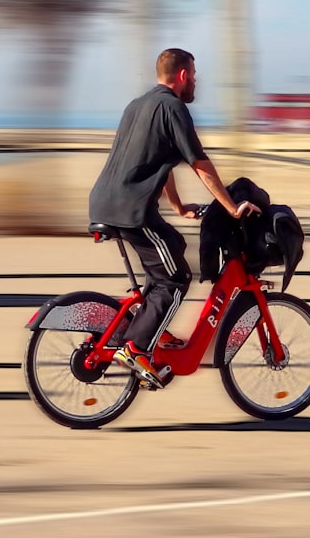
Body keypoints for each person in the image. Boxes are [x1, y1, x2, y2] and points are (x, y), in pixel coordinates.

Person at [88, 48, 259, 388]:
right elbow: (199, 163)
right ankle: (136, 347)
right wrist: (230, 207)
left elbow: (160, 159)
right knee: (176, 277)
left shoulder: (137, 106)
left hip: (105, 201)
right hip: (131, 210)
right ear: (182, 76)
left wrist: (178, 207)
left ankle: (154, 327)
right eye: (193, 76)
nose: (195, 82)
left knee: (173, 244)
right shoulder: (172, 107)